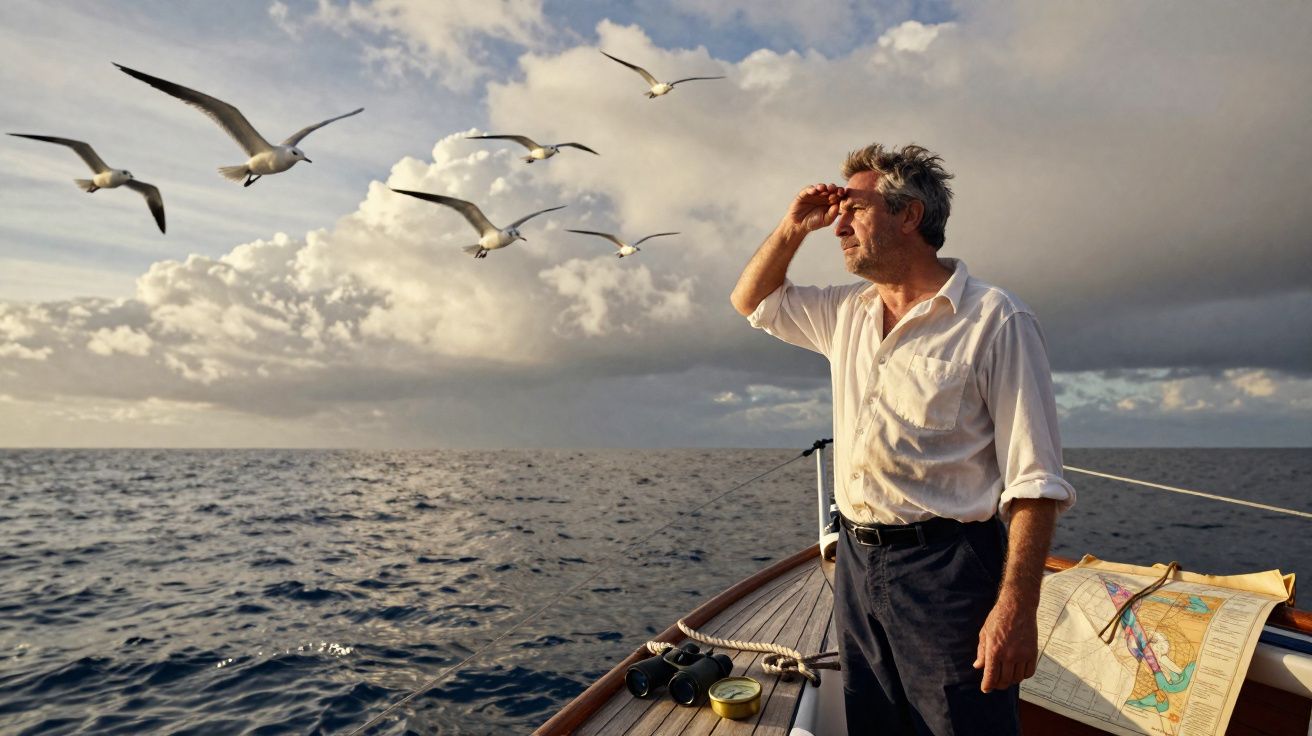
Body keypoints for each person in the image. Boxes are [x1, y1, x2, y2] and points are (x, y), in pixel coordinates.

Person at [730, 143, 1076, 735]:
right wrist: (792, 227)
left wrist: (1017, 607)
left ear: (908, 215)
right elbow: (752, 301)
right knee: (875, 723)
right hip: (857, 562)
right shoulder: (847, 313)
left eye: (854, 210)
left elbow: (1035, 480)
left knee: (962, 727)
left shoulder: (996, 319)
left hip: (950, 570)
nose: (837, 225)